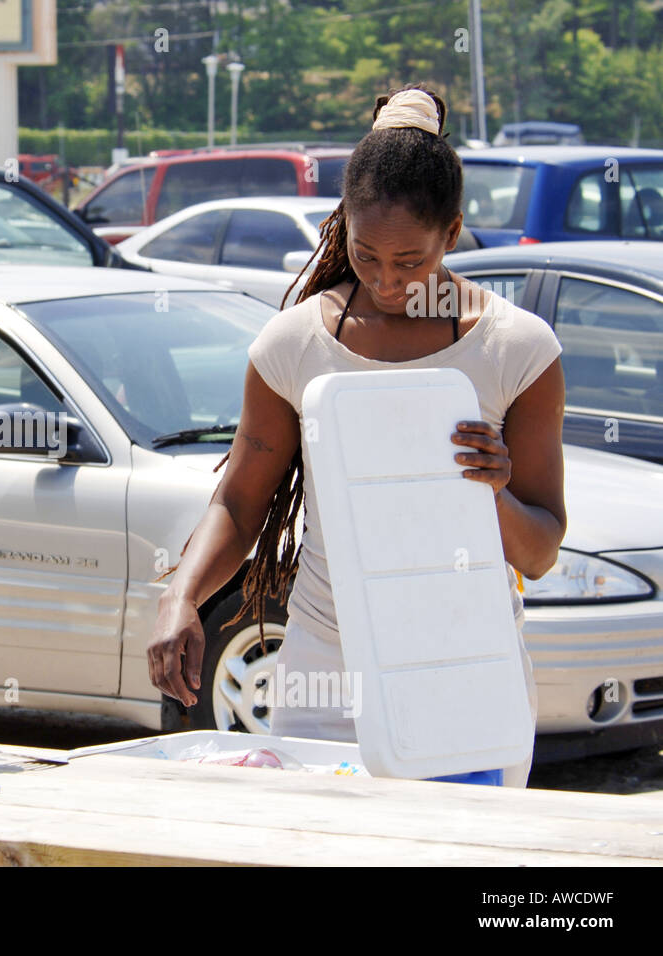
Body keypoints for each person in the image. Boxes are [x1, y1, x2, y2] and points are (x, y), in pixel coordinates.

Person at [146, 86, 566, 788]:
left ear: (454, 232)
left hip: (466, 667)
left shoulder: (517, 350)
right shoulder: (297, 341)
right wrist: (181, 596)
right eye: (368, 257)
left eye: (411, 261)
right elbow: (240, 504)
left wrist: (492, 494)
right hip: (326, 669)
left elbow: (543, 551)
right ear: (344, 226)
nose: (388, 280)